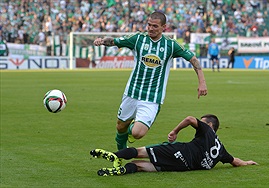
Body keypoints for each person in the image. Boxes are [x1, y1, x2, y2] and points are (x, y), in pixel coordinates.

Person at [93, 11, 208, 150]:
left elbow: (193, 59)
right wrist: (102, 41)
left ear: (163, 27)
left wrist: (202, 82)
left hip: (152, 97)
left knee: (137, 133)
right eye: (149, 25)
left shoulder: (170, 45)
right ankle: (122, 150)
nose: (150, 29)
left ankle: (123, 150)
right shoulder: (137, 39)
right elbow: (114, 41)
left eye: (154, 26)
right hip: (132, 92)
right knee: (120, 126)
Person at [90, 114, 258, 176]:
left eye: (204, 122)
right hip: (182, 167)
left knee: (141, 152)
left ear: (209, 125)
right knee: (138, 166)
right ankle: (122, 170)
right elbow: (235, 161)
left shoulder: (206, 130)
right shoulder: (221, 150)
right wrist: (247, 162)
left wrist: (175, 131)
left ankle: (113, 155)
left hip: (179, 151)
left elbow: (190, 119)